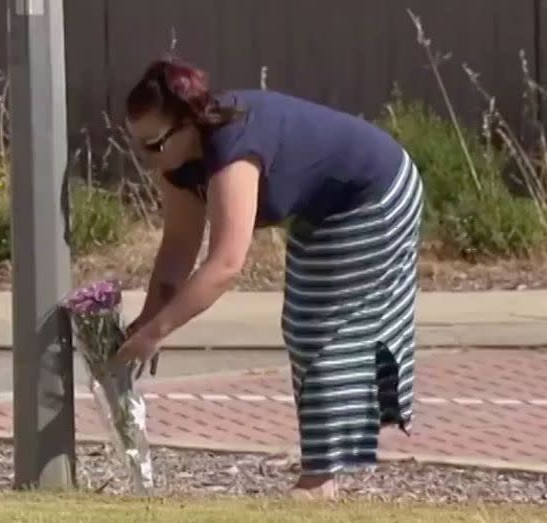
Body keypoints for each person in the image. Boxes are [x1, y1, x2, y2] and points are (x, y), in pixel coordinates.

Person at [111, 55, 424, 499]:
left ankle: (320, 482)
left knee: (316, 326)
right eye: (137, 146)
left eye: (154, 145)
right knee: (305, 324)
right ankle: (325, 471)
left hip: (376, 193)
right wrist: (147, 318)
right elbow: (177, 249)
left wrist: (160, 332)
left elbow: (224, 265)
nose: (147, 159)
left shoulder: (232, 148)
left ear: (187, 124)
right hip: (326, 207)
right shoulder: (176, 163)